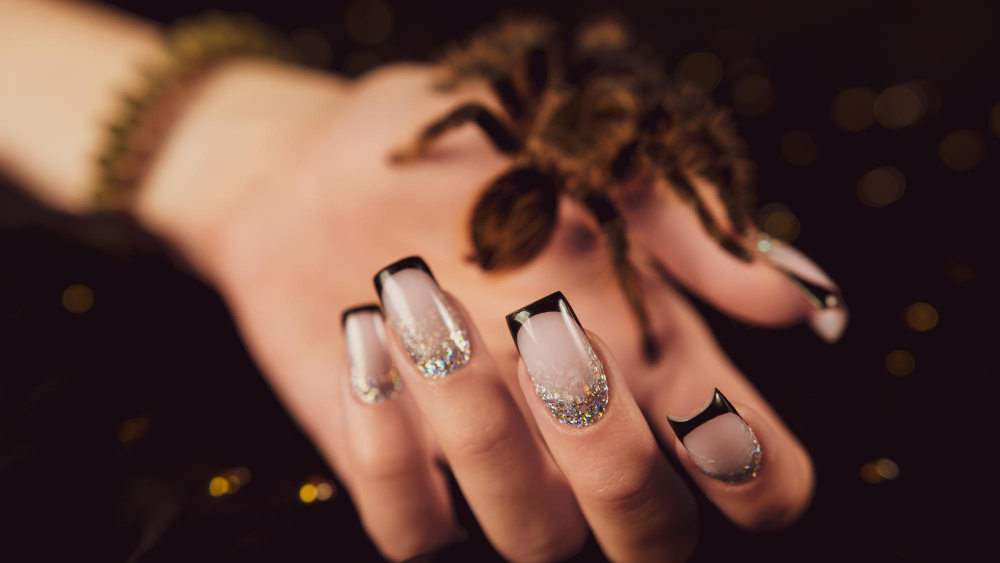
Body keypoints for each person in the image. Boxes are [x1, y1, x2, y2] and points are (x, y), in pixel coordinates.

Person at [0, 1, 839, 560]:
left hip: (519, 195)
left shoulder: (538, 124)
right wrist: (255, 149)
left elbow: (510, 86)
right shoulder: (592, 163)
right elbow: (568, 131)